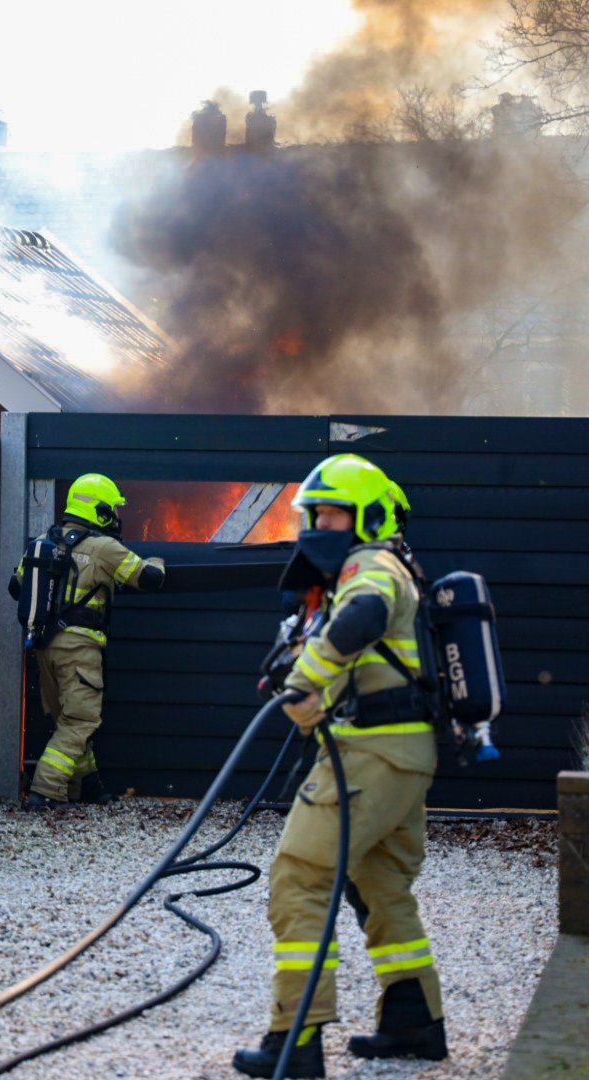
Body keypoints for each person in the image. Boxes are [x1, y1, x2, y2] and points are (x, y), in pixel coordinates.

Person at [232, 453, 446, 1079]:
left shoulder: (370, 564)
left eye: (331, 513)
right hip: (403, 754)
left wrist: (305, 680)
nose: (318, 526)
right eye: (314, 514)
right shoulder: (388, 565)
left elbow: (365, 617)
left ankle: (293, 1042)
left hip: (372, 752)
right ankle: (413, 1021)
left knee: (299, 877)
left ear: (367, 517)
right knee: (382, 887)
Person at [8, 473, 165, 809]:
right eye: (114, 510)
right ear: (102, 511)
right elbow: (148, 579)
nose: (118, 518)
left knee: (69, 718)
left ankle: (88, 785)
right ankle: (45, 793)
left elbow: (15, 587)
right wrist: (158, 561)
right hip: (79, 650)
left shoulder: (43, 542)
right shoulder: (104, 548)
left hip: (44, 646)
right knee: (80, 720)